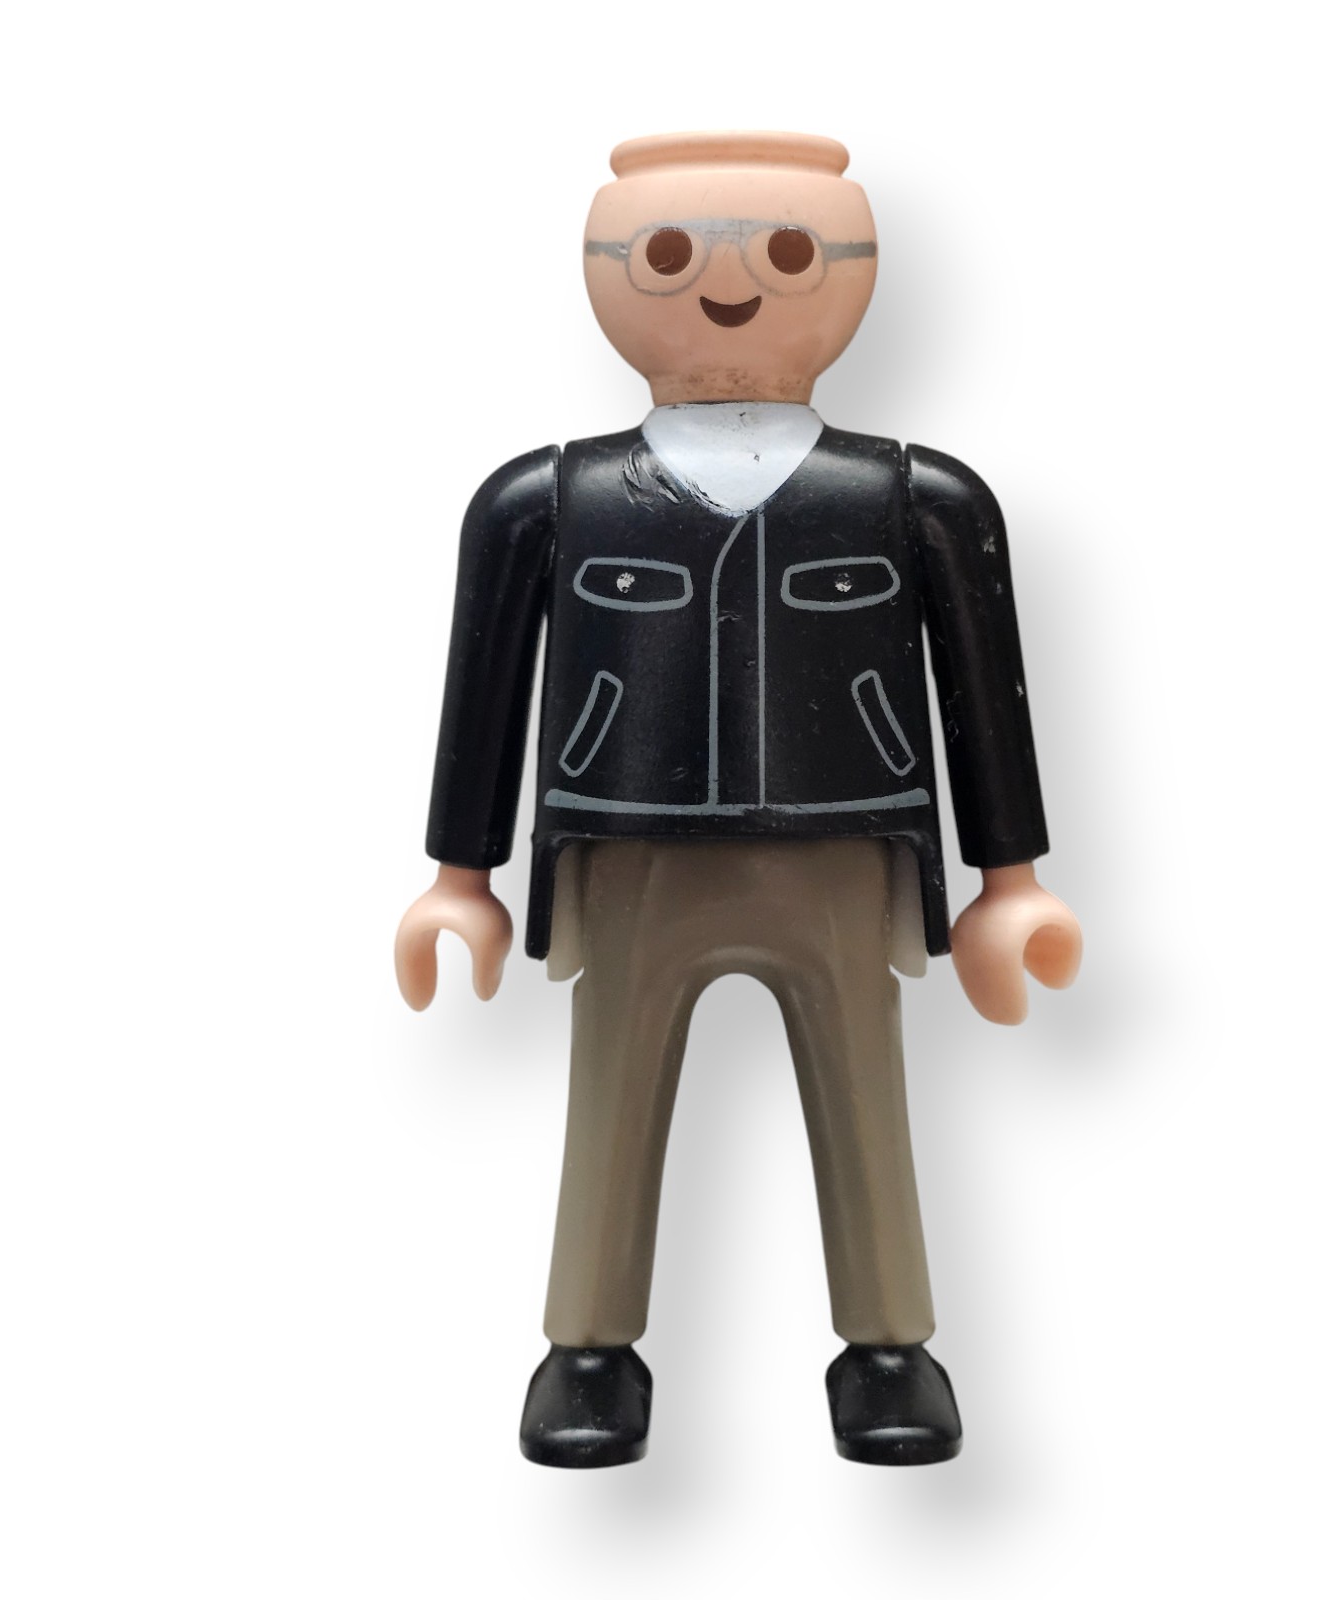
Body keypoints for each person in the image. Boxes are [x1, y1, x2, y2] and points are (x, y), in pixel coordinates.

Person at [395, 130, 1082, 1467]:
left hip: (844, 848)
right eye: (668, 253)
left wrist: (1012, 879)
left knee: (864, 1086)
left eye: (786, 253)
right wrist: (457, 876)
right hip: (626, 853)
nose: (729, 284)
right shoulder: (550, 500)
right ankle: (589, 1348)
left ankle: (889, 1344)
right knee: (612, 1090)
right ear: (609, 269)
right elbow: (484, 686)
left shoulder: (913, 497)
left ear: (851, 269)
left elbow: (983, 681)